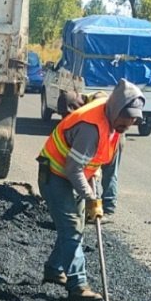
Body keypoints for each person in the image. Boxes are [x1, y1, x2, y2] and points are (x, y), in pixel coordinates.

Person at [37, 79, 145, 301]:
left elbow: (95, 161)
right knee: (71, 228)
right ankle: (78, 285)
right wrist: (91, 198)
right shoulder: (90, 128)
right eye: (127, 117)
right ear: (116, 111)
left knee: (74, 226)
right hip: (55, 176)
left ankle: (54, 269)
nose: (131, 122)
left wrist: (93, 181)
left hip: (75, 177)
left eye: (135, 118)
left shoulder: (115, 123)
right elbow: (73, 168)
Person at [58, 90, 122, 219]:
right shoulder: (86, 106)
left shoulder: (96, 102)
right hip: (103, 135)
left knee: (109, 172)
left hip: (113, 138)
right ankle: (91, 206)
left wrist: (92, 198)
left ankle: (107, 208)